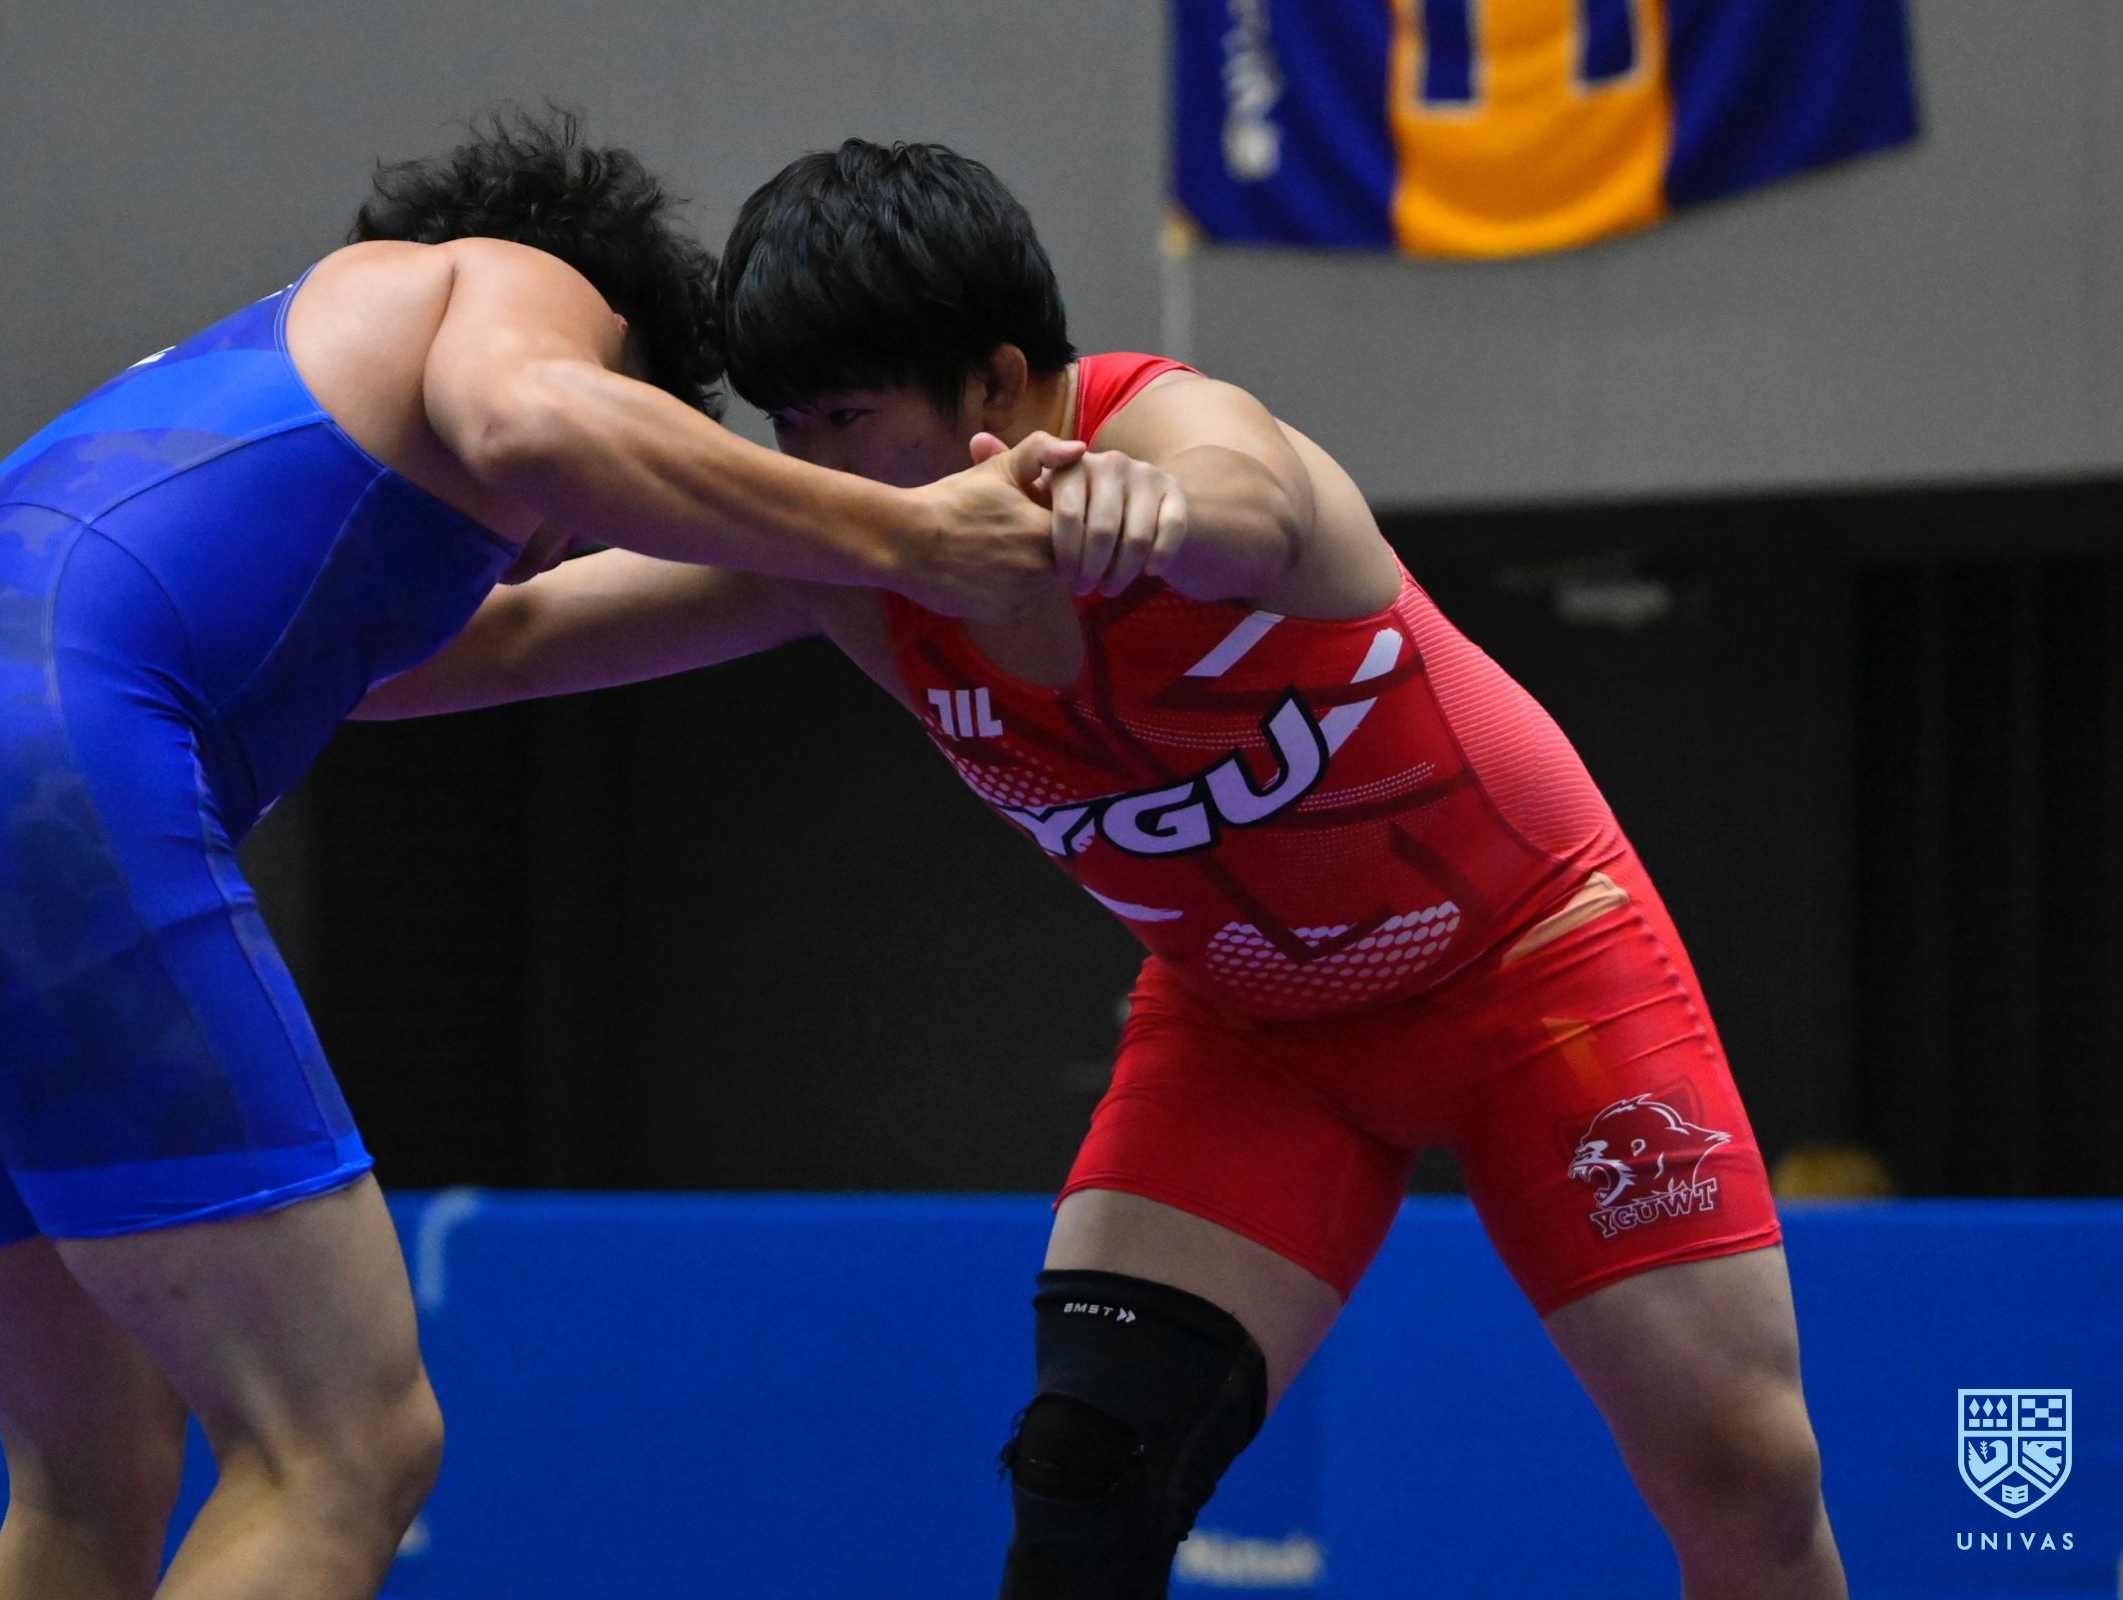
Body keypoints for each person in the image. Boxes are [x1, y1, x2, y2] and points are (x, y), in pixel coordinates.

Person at [365, 139, 1848, 1599]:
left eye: (844, 418)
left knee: (1744, 1476)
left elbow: (1255, 499)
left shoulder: (1177, 437)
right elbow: (504, 642)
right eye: (788, 428)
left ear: (996, 385)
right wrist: (249, 607)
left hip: (1535, 975)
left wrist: (1160, 514)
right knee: (1087, 1470)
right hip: (1257, 1037)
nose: (812, 472)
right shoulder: (842, 559)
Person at [0, 115, 1079, 1600]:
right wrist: (907, 537)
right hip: (31, 774)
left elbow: (478, 648)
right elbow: (534, 426)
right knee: (344, 1450)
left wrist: (832, 563)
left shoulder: (269, 403)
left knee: (92, 1474)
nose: (567, 543)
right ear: (623, 352)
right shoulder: (507, 281)